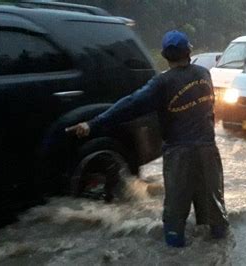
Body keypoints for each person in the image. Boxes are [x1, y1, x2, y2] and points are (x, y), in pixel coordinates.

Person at [66, 30, 229, 247]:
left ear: (164, 55)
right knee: (214, 204)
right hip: (208, 150)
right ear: (189, 51)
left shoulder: (161, 83)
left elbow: (129, 105)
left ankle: (175, 253)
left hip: (179, 153)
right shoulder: (203, 74)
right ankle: (220, 250)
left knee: (175, 210)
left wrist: (92, 124)